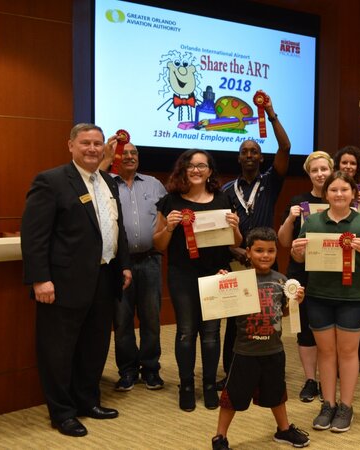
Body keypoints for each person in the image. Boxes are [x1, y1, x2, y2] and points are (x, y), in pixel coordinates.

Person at [21, 123, 132, 437]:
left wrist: (123, 265)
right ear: (70, 145)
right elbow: (34, 237)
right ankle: (63, 412)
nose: (93, 149)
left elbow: (115, 228)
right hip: (63, 283)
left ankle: (87, 401)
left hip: (104, 278)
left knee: (94, 347)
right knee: (58, 350)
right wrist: (40, 279)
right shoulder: (51, 181)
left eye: (98, 143)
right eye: (86, 143)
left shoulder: (108, 182)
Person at [290, 171, 360, 433]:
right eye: (334, 190)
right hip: (319, 297)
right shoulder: (312, 222)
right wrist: (296, 252)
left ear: (353, 194)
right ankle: (328, 404)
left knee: (347, 352)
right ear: (326, 194)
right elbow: (300, 258)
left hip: (353, 298)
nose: (339, 194)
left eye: (344, 189)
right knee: (326, 352)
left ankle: (346, 406)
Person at [153, 149, 241, 412]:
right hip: (182, 274)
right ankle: (187, 385)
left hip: (216, 273)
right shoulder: (170, 202)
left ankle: (209, 385)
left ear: (210, 171)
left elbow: (236, 242)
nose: (196, 170)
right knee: (185, 332)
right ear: (183, 169)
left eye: (202, 166)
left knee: (212, 334)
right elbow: (157, 245)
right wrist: (168, 227)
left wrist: (235, 227)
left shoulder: (223, 199)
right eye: (191, 166)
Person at [211, 227, 310, 450]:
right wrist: (221, 284)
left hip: (274, 350)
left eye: (270, 251)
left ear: (276, 252)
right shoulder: (237, 279)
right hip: (245, 351)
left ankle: (283, 430)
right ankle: (220, 436)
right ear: (248, 251)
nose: (265, 255)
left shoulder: (282, 280)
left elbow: (282, 312)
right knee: (232, 396)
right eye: (259, 250)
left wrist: (296, 301)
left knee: (277, 393)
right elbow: (219, 305)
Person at [220, 91, 291, 389]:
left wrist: (271, 114)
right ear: (239, 158)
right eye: (244, 152)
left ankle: (264, 371)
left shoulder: (271, 181)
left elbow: (285, 146)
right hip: (238, 261)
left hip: (264, 259)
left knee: (266, 316)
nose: (249, 155)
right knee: (236, 320)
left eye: (254, 152)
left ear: (261, 158)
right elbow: (221, 232)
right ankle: (231, 373)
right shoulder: (225, 190)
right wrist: (237, 251)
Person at [99, 140, 168, 392]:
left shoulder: (154, 185)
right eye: (124, 153)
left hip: (151, 260)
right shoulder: (106, 183)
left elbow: (166, 218)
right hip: (120, 264)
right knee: (122, 320)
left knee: (151, 319)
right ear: (116, 157)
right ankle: (127, 370)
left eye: (134, 153)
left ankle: (151, 369)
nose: (129, 156)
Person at [277, 151, 334, 403]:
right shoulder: (299, 202)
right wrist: (290, 218)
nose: (320, 174)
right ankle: (311, 380)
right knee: (306, 333)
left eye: (324, 169)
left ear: (331, 171)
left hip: (332, 275)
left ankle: (328, 379)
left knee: (330, 331)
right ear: (308, 174)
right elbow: (284, 241)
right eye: (315, 170)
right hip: (302, 275)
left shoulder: (342, 199)